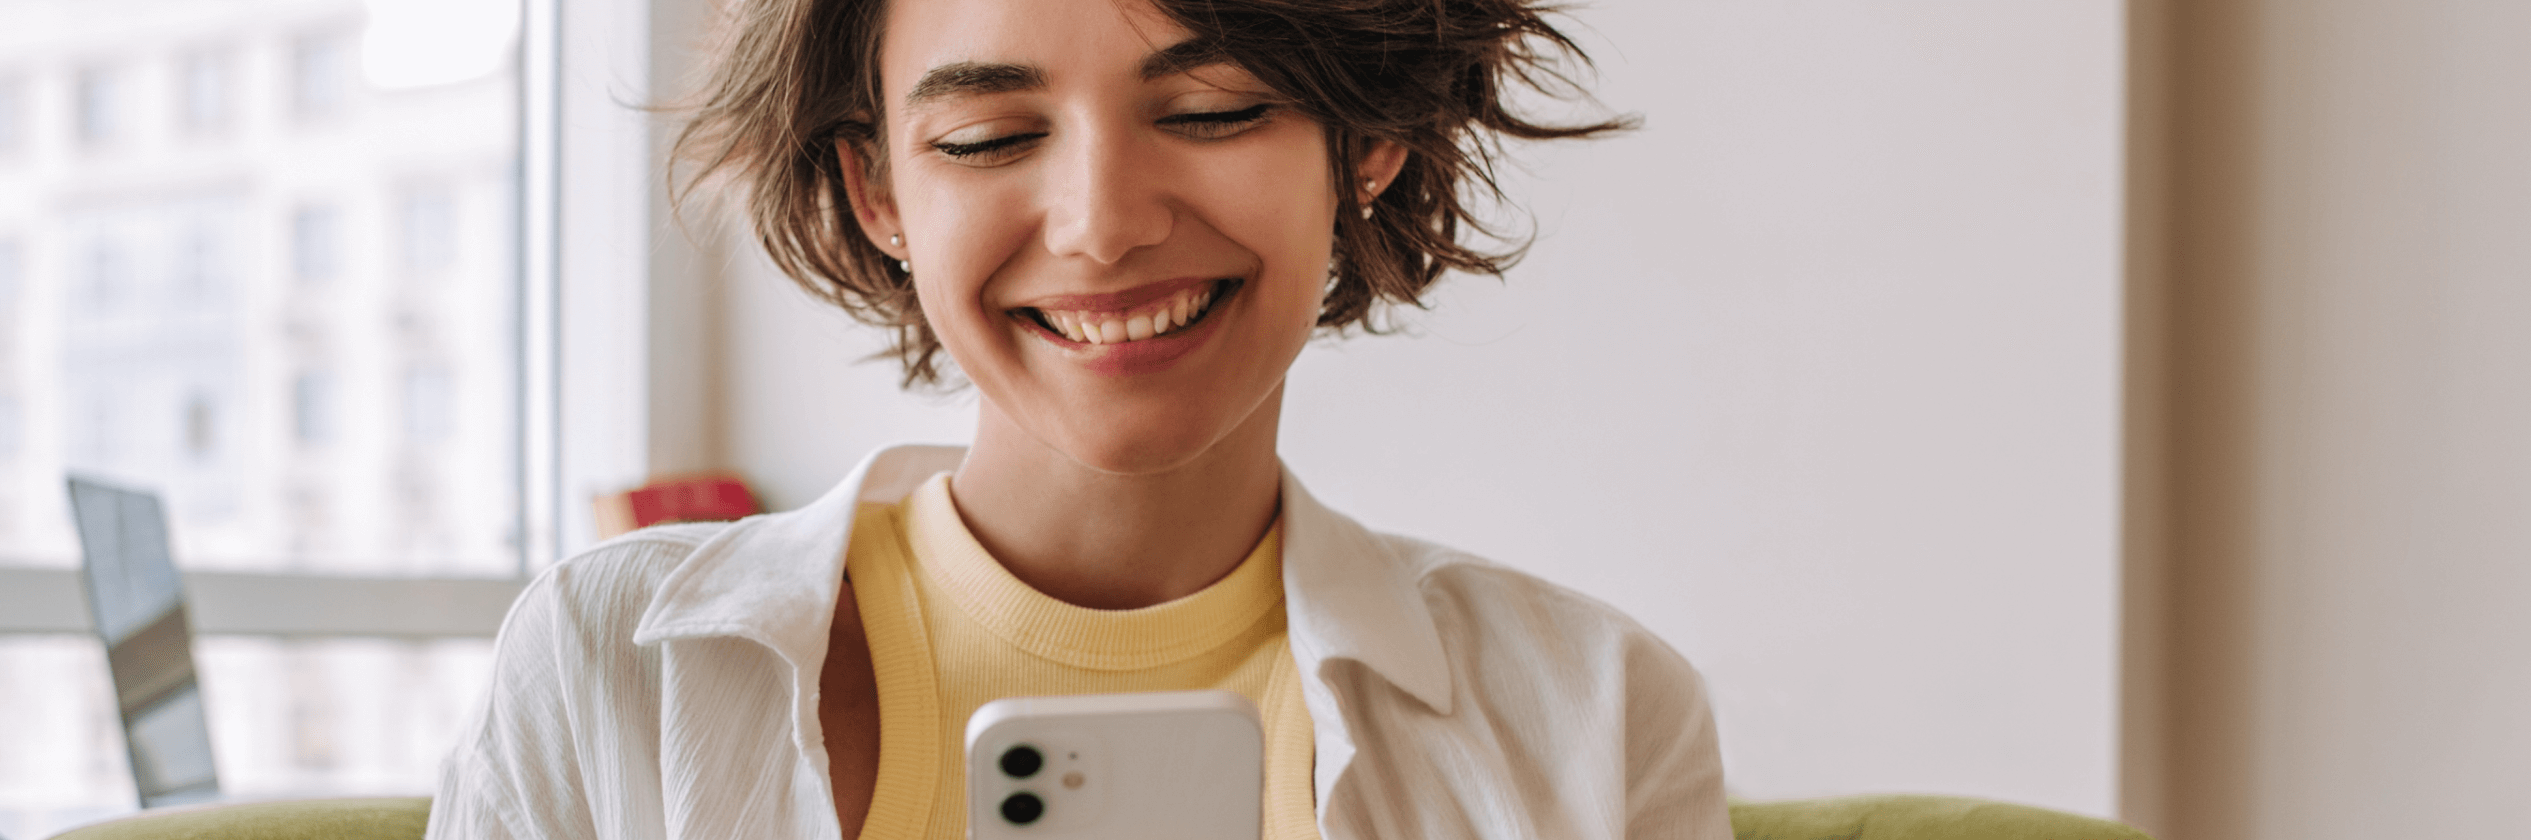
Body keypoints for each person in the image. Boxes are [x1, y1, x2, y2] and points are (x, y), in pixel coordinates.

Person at [427, 0, 1727, 837]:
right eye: (991, 137)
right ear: (878, 194)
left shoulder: (1591, 713)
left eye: (1215, 110)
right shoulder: (607, 669)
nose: (1102, 223)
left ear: (1367, 140)